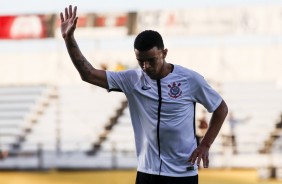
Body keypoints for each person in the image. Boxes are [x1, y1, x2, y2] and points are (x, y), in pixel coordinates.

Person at [60, 5, 228, 184]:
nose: (146, 67)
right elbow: (89, 74)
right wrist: (69, 39)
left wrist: (205, 145)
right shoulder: (132, 79)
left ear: (164, 53)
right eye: (141, 61)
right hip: (147, 172)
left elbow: (220, 109)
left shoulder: (189, 79)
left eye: (151, 60)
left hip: (182, 174)